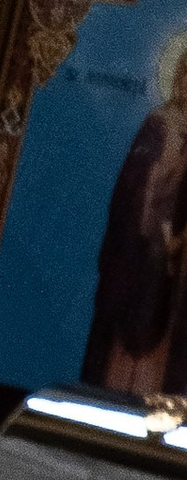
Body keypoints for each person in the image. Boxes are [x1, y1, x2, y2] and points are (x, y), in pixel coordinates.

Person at [83, 31, 187, 396]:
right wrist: (160, 174)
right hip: (141, 258)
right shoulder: (158, 123)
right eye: (183, 75)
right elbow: (131, 187)